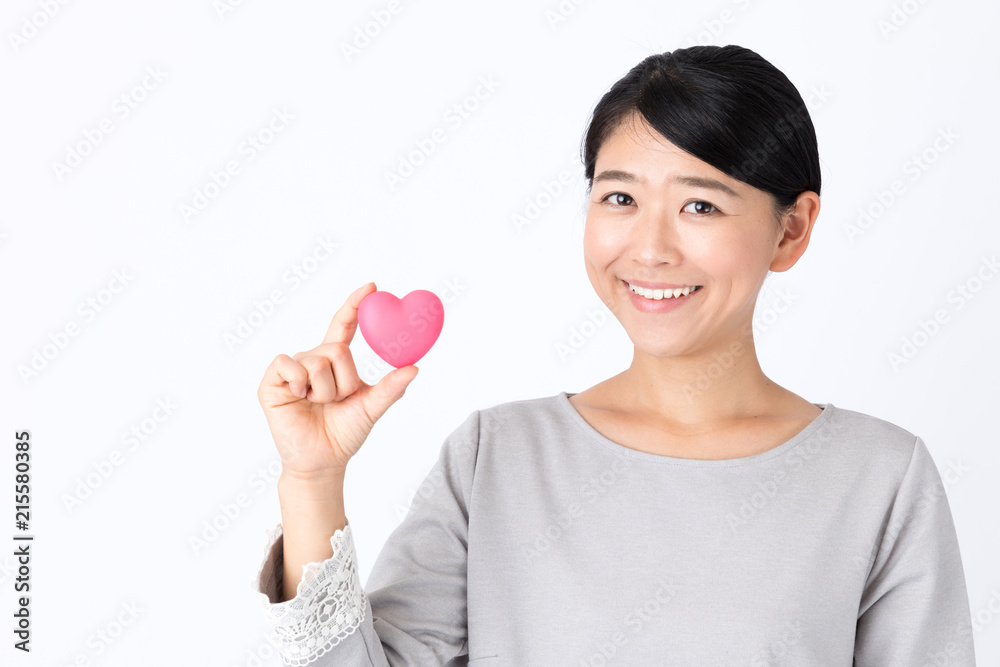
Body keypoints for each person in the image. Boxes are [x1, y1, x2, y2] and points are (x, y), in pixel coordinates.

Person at [250, 44, 977, 666]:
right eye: (620, 198)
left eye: (701, 205)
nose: (652, 248)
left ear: (792, 229)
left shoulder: (881, 479)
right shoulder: (496, 457)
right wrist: (313, 479)